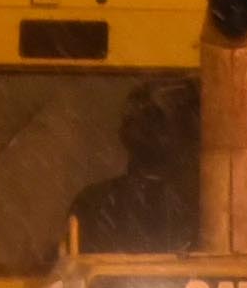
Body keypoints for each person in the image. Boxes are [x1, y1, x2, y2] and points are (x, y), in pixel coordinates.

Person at [64, 77, 205, 255]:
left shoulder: (214, 207)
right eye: (144, 122)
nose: (152, 133)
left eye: (160, 122)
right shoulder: (94, 203)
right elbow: (78, 272)